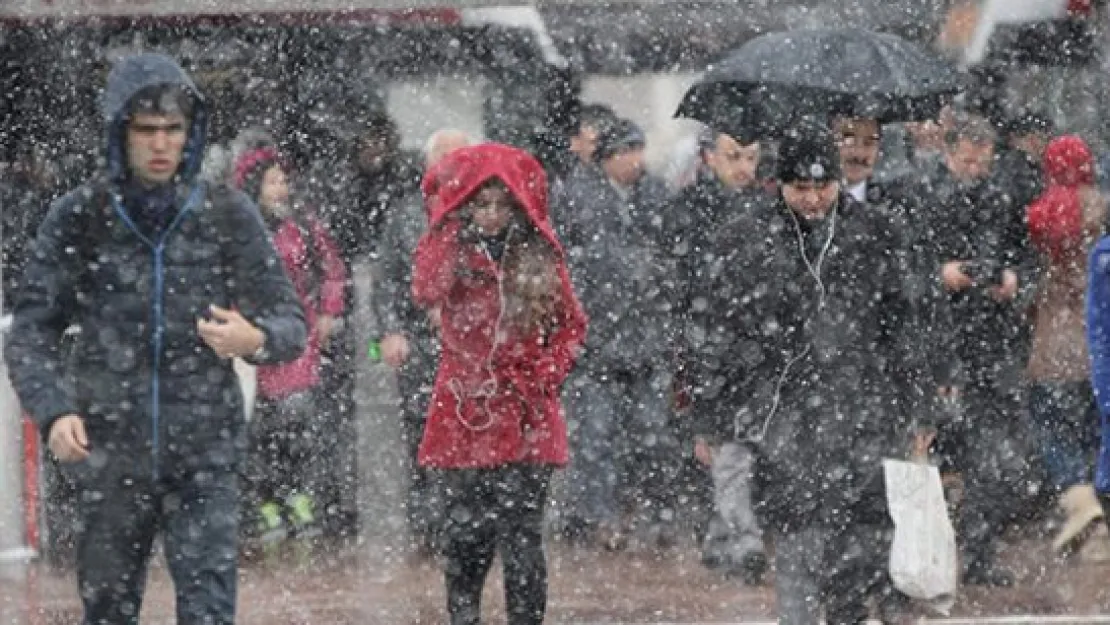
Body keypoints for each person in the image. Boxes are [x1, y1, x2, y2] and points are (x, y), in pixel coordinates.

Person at [4, 53, 306, 624]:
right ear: (122, 134)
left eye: (173, 129)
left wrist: (256, 338)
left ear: (191, 134)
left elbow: (290, 322)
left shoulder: (226, 213)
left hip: (206, 455)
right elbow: (30, 331)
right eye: (147, 130)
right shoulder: (81, 216)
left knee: (209, 610)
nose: (161, 143)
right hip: (108, 452)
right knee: (108, 609)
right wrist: (53, 410)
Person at [688, 119, 932, 624]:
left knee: (860, 540)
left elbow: (903, 325)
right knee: (798, 533)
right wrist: (711, 415)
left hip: (863, 406)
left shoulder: (877, 233)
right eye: (802, 188)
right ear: (780, 184)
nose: (815, 198)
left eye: (824, 186)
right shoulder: (746, 237)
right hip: (784, 410)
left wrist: (919, 407)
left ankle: (845, 613)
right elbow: (716, 329)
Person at [411, 143, 587, 625]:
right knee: (466, 539)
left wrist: (546, 375)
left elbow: (573, 326)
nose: (490, 216)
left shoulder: (541, 255)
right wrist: (446, 223)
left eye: (501, 205)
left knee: (523, 538)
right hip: (466, 412)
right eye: (481, 204)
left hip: (526, 411)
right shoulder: (451, 248)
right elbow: (426, 288)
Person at [910, 111, 1042, 585]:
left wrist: (1012, 278)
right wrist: (939, 275)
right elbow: (904, 264)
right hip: (940, 341)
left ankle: (978, 550)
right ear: (949, 154)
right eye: (968, 161)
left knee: (996, 456)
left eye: (982, 162)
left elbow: (1024, 256)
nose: (975, 170)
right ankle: (935, 550)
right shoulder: (922, 197)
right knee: (936, 450)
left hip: (993, 340)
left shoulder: (1001, 198)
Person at [555, 117, 680, 550]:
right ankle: (600, 516)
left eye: (638, 149)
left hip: (647, 333)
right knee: (596, 434)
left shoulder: (656, 194)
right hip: (598, 338)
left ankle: (654, 515)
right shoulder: (576, 198)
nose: (636, 160)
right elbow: (568, 264)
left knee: (653, 433)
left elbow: (675, 253)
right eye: (627, 151)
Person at [230, 140, 347, 550]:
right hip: (252, 340)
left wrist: (330, 311)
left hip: (300, 337)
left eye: (284, 180)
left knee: (298, 426)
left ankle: (299, 499)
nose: (281, 188)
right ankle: (266, 505)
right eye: (273, 180)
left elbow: (331, 271)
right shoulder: (242, 229)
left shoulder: (305, 226)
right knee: (260, 434)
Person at [671, 125, 768, 580]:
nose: (744, 167)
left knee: (741, 449)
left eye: (751, 156)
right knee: (722, 447)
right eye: (734, 156)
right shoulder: (688, 210)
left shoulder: (770, 205)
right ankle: (740, 537)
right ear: (709, 158)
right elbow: (677, 286)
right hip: (708, 344)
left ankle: (723, 533)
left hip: (759, 343)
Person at [373, 128, 473, 556]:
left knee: (471, 430)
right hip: (420, 342)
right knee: (421, 431)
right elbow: (387, 281)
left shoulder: (485, 211)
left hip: (471, 346)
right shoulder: (404, 216)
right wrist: (392, 331)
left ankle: (467, 520)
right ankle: (426, 525)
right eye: (444, 158)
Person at [1025, 135, 1108, 556]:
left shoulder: (1039, 212)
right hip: (1097, 340)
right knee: (1098, 433)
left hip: (1053, 345)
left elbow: (1028, 279)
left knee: (1051, 426)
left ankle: (1079, 498)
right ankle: (1099, 516)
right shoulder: (1104, 208)